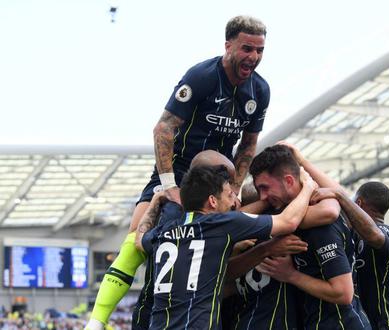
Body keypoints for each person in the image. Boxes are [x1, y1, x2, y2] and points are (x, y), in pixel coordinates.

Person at [86, 15, 270, 329]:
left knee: (221, 242)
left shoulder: (259, 91)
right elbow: (164, 128)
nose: (253, 56)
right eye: (247, 48)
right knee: (138, 238)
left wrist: (234, 189)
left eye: (259, 50)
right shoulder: (201, 77)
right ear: (228, 46)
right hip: (180, 172)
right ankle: (96, 321)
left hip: (218, 182)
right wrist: (169, 185)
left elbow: (249, 146)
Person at [134, 163, 316, 329]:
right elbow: (288, 221)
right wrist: (307, 186)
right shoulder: (221, 223)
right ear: (212, 201)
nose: (234, 202)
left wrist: (155, 201)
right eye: (230, 195)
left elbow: (139, 239)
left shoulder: (164, 231)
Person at [277, 142, 389, 330]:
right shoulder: (351, 232)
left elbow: (374, 235)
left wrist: (340, 196)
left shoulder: (388, 234)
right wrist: (302, 160)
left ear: (358, 202)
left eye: (351, 202)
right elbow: (337, 192)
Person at [251, 145, 371, 330]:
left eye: (265, 188)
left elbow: (343, 293)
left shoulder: (319, 225)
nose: (263, 196)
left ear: (289, 180)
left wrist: (291, 275)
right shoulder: (287, 211)